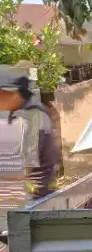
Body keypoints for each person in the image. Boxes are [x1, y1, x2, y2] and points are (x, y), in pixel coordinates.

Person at [0, 66, 58, 201]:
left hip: (32, 203)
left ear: (10, 92)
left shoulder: (33, 117)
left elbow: (24, 169)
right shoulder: (19, 112)